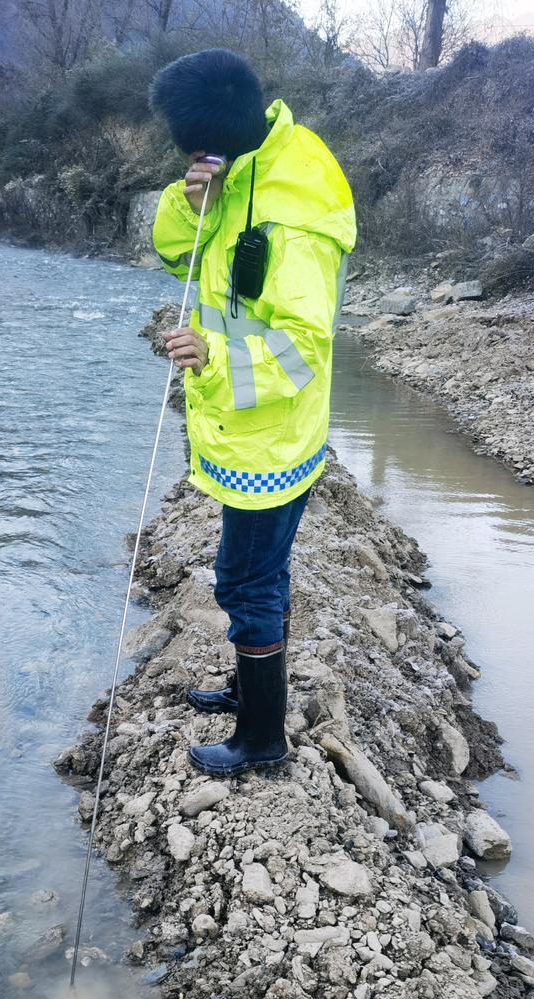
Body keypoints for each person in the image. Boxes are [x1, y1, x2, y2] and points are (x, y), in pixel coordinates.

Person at [149, 48, 356, 777]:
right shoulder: (242, 167)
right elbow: (176, 256)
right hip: (245, 425)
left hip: (270, 435)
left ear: (216, 135)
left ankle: (262, 736)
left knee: (246, 580)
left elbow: (304, 346)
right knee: (259, 571)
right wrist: (188, 199)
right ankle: (247, 688)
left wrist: (210, 355)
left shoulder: (294, 219)